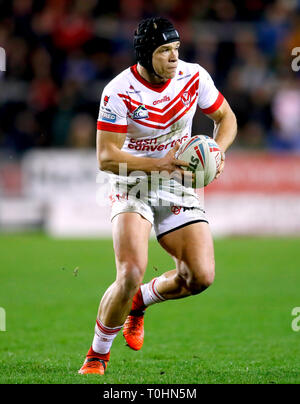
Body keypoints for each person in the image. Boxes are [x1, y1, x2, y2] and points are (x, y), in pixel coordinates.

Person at [78, 17, 237, 375]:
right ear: (146, 55)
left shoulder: (193, 77)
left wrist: (218, 151)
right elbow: (106, 157)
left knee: (200, 276)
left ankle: (140, 301)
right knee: (131, 270)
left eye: (176, 49)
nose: (173, 58)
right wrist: (159, 163)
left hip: (174, 180)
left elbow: (226, 117)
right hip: (130, 180)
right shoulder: (118, 91)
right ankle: (97, 355)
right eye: (164, 51)